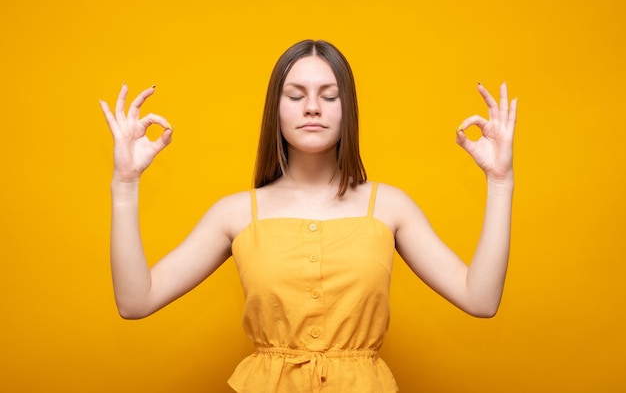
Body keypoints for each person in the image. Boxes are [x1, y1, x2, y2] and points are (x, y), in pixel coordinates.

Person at [100, 39, 517, 393]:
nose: (312, 108)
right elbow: (136, 301)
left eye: (329, 96)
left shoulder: (391, 206)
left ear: (347, 109)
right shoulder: (235, 213)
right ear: (275, 110)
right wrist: (125, 183)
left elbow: (480, 299)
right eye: (296, 96)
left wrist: (500, 182)